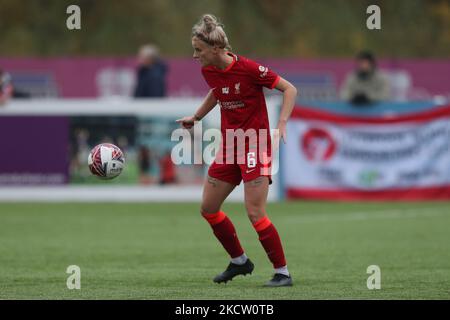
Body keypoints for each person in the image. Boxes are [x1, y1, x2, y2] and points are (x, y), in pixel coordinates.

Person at [177, 14, 297, 287]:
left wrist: (281, 125)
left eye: (198, 50)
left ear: (216, 49)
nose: (194, 56)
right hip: (230, 146)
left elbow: (290, 89)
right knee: (208, 208)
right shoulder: (208, 69)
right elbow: (216, 92)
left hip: (256, 144)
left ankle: (282, 273)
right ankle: (240, 261)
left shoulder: (250, 69)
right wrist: (195, 117)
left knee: (255, 212)